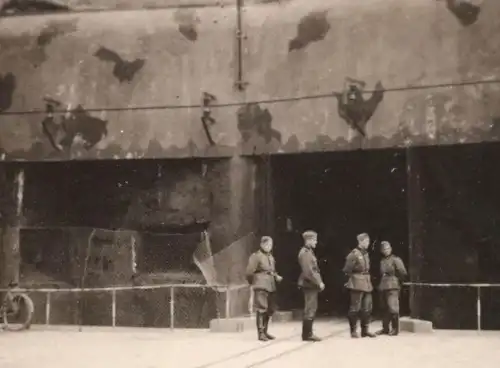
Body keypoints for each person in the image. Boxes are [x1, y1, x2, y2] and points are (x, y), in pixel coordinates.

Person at [246, 236, 283, 341]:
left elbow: (272, 271)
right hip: (261, 285)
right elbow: (249, 272)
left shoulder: (271, 257)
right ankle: (261, 333)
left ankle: (265, 331)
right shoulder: (256, 256)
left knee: (270, 309)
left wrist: (276, 276)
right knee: (261, 308)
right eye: (267, 245)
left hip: (270, 286)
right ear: (262, 245)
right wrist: (253, 282)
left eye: (271, 245)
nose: (269, 247)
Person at [343, 233, 376, 338]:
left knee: (367, 308)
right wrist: (352, 280)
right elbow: (347, 270)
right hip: (357, 283)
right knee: (355, 308)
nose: (368, 243)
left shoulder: (365, 254)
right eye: (366, 241)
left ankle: (365, 330)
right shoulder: (354, 254)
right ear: (360, 241)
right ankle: (353, 331)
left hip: (366, 283)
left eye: (368, 241)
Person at [376, 241, 408, 336]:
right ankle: (385, 328)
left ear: (391, 249)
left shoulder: (396, 259)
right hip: (383, 286)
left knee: (393, 308)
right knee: (384, 308)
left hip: (393, 285)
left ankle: (395, 329)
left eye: (387, 248)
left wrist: (397, 281)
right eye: (384, 249)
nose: (386, 251)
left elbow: (403, 272)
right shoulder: (382, 261)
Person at [298, 230, 324, 342]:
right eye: (314, 240)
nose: (316, 242)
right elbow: (309, 271)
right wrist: (319, 282)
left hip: (310, 284)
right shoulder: (305, 253)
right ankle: (307, 334)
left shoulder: (309, 252)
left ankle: (308, 333)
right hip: (309, 284)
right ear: (308, 240)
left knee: (311, 307)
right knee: (310, 308)